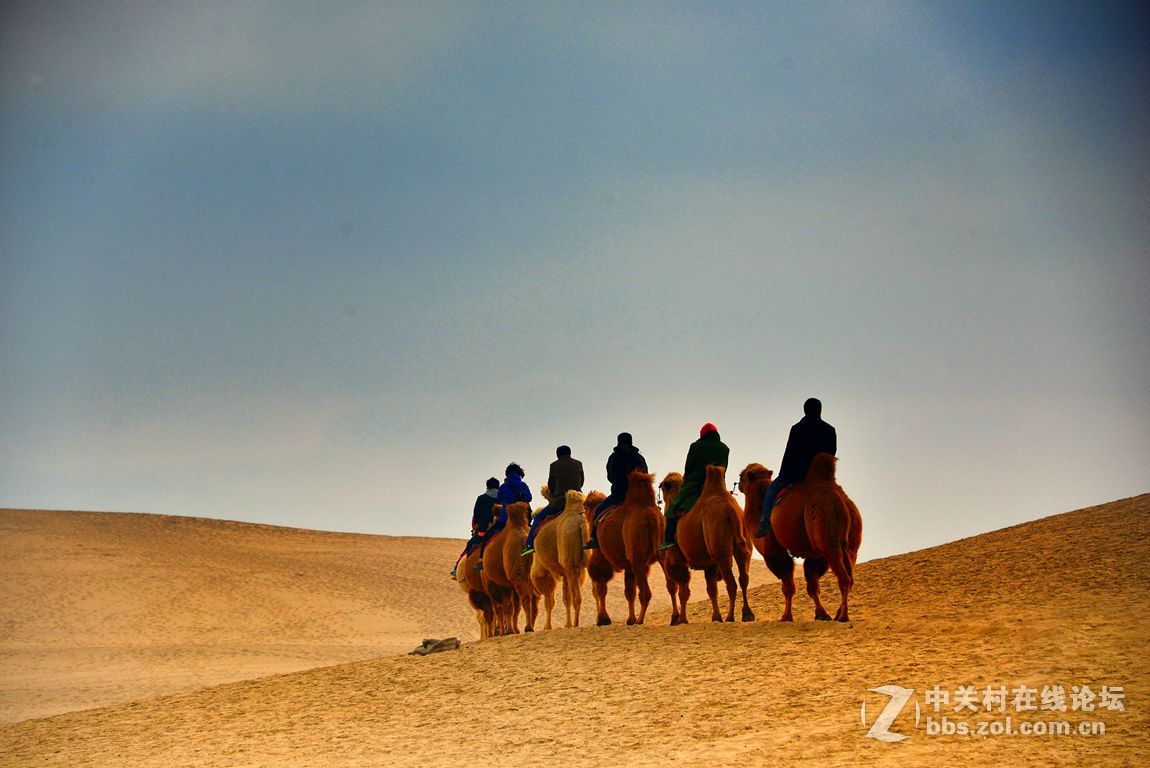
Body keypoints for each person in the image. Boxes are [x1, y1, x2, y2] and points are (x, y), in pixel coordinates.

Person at [755, 397, 837, 538]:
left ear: (805, 411)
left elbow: (790, 454)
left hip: (798, 476)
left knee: (772, 490)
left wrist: (784, 476)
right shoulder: (830, 430)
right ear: (820, 410)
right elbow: (831, 453)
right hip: (822, 478)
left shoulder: (797, 429)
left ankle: (765, 525)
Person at [660, 423, 730, 552]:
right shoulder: (725, 448)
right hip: (718, 484)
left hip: (695, 483)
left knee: (673, 507)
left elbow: (689, 468)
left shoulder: (696, 446)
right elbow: (723, 469)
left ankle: (669, 540)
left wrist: (686, 481)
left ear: (702, 434)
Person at [584, 432, 648, 550]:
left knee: (598, 511)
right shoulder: (639, 457)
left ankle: (595, 540)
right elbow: (646, 474)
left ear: (618, 442)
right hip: (638, 497)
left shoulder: (614, 457)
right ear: (631, 441)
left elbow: (610, 476)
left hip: (618, 495)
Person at [521, 445, 584, 556]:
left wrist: (555, 493)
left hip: (560, 501)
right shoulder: (578, 463)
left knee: (538, 518)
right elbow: (581, 482)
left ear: (557, 455)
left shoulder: (554, 465)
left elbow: (551, 485)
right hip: (578, 500)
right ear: (570, 453)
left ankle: (529, 545)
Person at [449, 477, 500, 578]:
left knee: (470, 544)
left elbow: (476, 515)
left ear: (487, 486)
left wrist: (476, 527)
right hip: (499, 528)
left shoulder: (481, 498)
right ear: (498, 486)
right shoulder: (502, 498)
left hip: (484, 529)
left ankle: (458, 570)